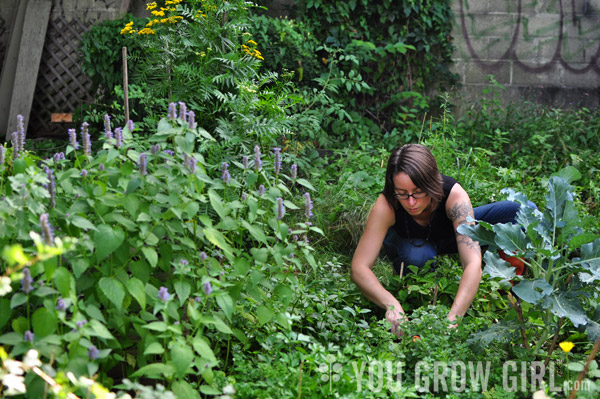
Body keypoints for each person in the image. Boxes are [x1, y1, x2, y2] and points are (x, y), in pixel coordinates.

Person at [350, 144, 521, 337]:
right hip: (409, 242)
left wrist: (453, 320)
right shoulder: (387, 204)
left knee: (514, 212)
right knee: (418, 256)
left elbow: (472, 262)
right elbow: (359, 267)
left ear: (432, 184)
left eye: (418, 192)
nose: (411, 202)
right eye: (402, 193)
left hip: (446, 234)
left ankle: (509, 291)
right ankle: (415, 296)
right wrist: (392, 305)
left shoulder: (453, 196)